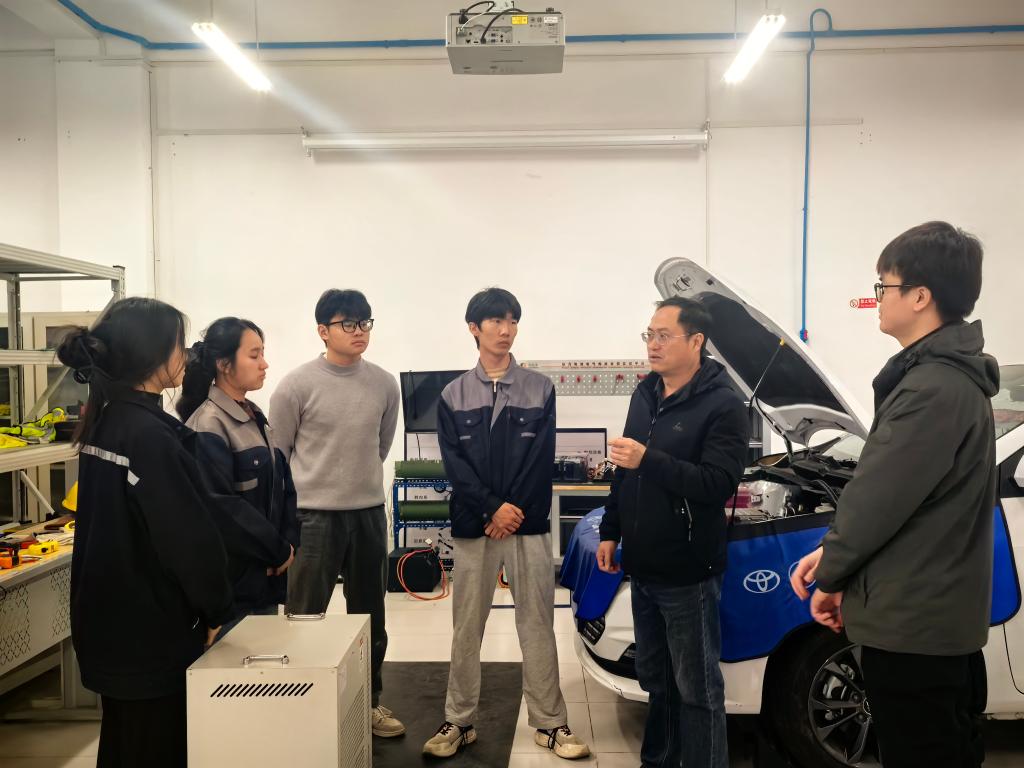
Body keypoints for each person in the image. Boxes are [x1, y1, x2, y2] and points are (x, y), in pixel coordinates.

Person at [790, 221, 998, 768]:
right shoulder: (942, 380)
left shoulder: (931, 388)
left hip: (915, 627)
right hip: (924, 614)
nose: (878, 298)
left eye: (884, 286)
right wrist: (835, 560)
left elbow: (878, 500)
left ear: (920, 296)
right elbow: (902, 501)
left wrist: (831, 572)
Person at [56, 297, 234, 768]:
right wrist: (215, 607)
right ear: (151, 353)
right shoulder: (148, 436)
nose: (185, 355)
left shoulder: (109, 421)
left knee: (126, 745)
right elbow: (186, 539)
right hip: (150, 632)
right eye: (178, 344)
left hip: (113, 625)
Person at [423, 287, 590, 761]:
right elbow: (455, 466)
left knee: (537, 624)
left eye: (512, 320)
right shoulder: (453, 395)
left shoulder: (539, 388)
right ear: (474, 329)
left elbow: (540, 459)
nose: (506, 329)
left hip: (526, 524)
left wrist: (510, 511)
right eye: (496, 320)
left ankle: (550, 722)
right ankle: (459, 720)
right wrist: (491, 509)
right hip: (475, 525)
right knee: (466, 628)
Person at [596, 296, 750, 768]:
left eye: (664, 336)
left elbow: (717, 484)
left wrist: (649, 460)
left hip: (688, 573)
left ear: (696, 341)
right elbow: (624, 471)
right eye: (650, 335)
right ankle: (658, 761)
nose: (653, 344)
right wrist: (610, 530)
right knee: (657, 682)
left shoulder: (724, 405)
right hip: (643, 566)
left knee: (697, 689)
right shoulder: (645, 394)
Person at [270, 289, 404, 738]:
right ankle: (300, 706)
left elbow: (380, 446)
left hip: (367, 514)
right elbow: (279, 456)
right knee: (305, 615)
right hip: (312, 518)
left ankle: (370, 702)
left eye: (365, 322)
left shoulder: (384, 383)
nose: (359, 331)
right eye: (348, 323)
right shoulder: (296, 385)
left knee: (371, 617)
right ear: (322, 331)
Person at [176, 317, 299, 639]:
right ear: (224, 364)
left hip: (266, 576)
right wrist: (276, 550)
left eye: (263, 353)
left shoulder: (253, 415)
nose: (264, 364)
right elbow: (222, 507)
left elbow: (282, 485)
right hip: (235, 586)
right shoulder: (208, 424)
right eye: (254, 355)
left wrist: (287, 546)